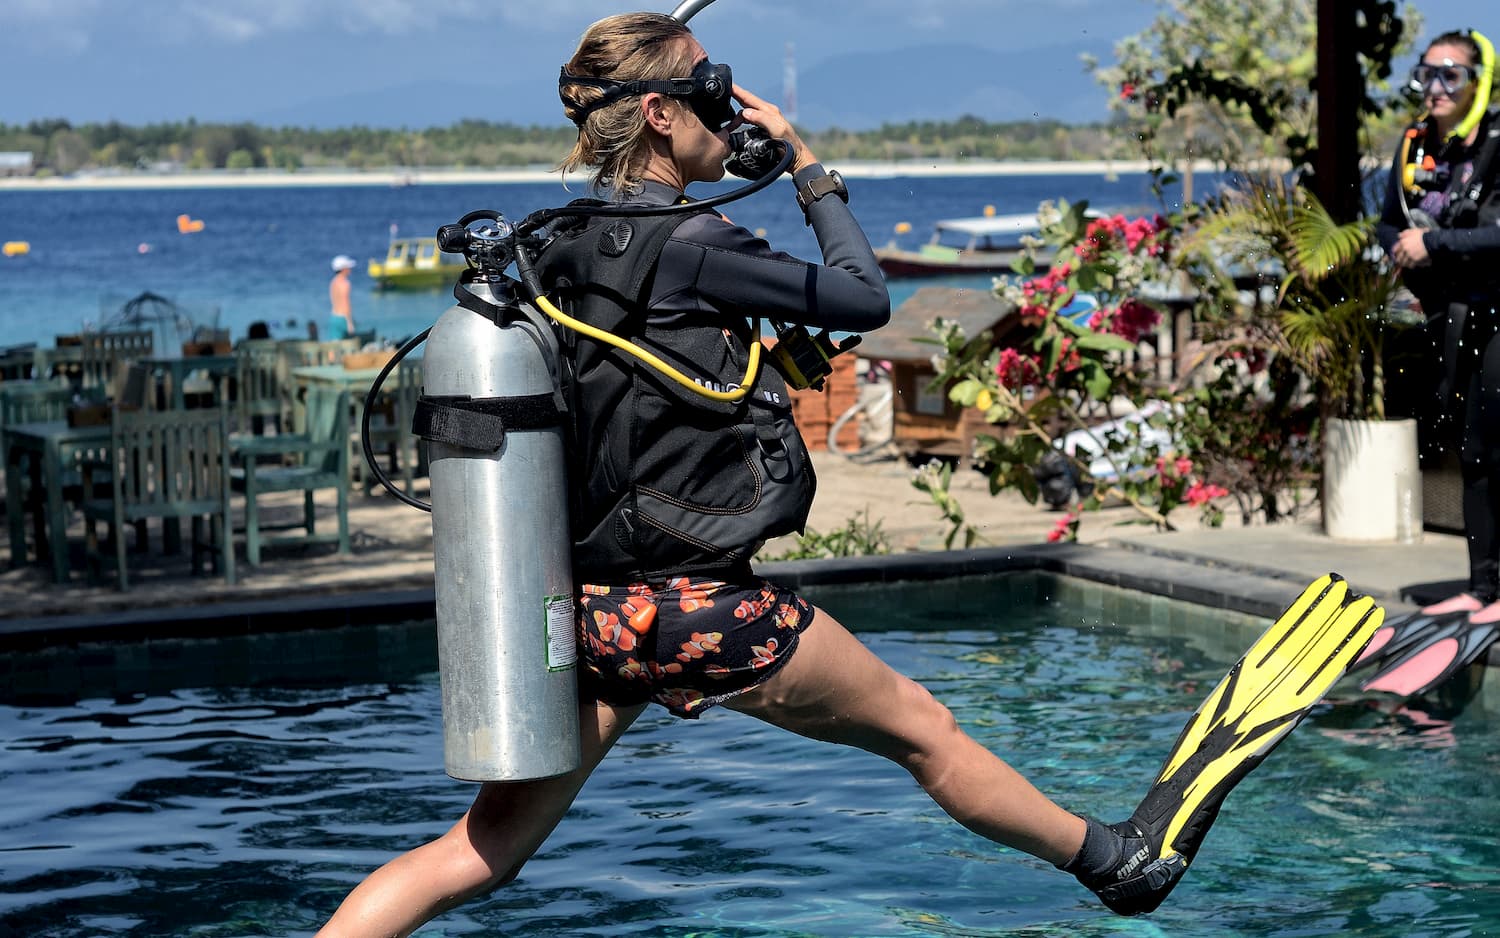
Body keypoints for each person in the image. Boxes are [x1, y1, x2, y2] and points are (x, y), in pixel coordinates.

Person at [316, 14, 1367, 935]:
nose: (729, 112)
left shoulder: (556, 248)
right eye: (711, 93)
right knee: (924, 730)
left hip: (594, 610)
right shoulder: (690, 240)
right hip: (704, 611)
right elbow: (862, 296)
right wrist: (809, 165)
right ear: (657, 113)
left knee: (478, 852)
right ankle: (1117, 865)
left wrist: (733, 150)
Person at [1376, 29, 1500, 625]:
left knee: (1499, 448)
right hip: (1455, 316)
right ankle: (1483, 587)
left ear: (1477, 80)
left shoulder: (1499, 142)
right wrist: (1401, 248)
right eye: (1428, 73)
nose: (1436, 86)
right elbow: (1386, 221)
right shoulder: (1417, 145)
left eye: (1452, 73)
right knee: (1472, 450)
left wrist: (1435, 242)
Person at [328, 254, 358, 340]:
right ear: (343, 269)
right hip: (343, 318)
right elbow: (345, 302)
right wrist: (349, 322)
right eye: (348, 267)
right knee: (350, 343)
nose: (350, 269)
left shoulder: (333, 282)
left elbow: (334, 301)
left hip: (333, 316)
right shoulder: (345, 283)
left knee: (333, 346)